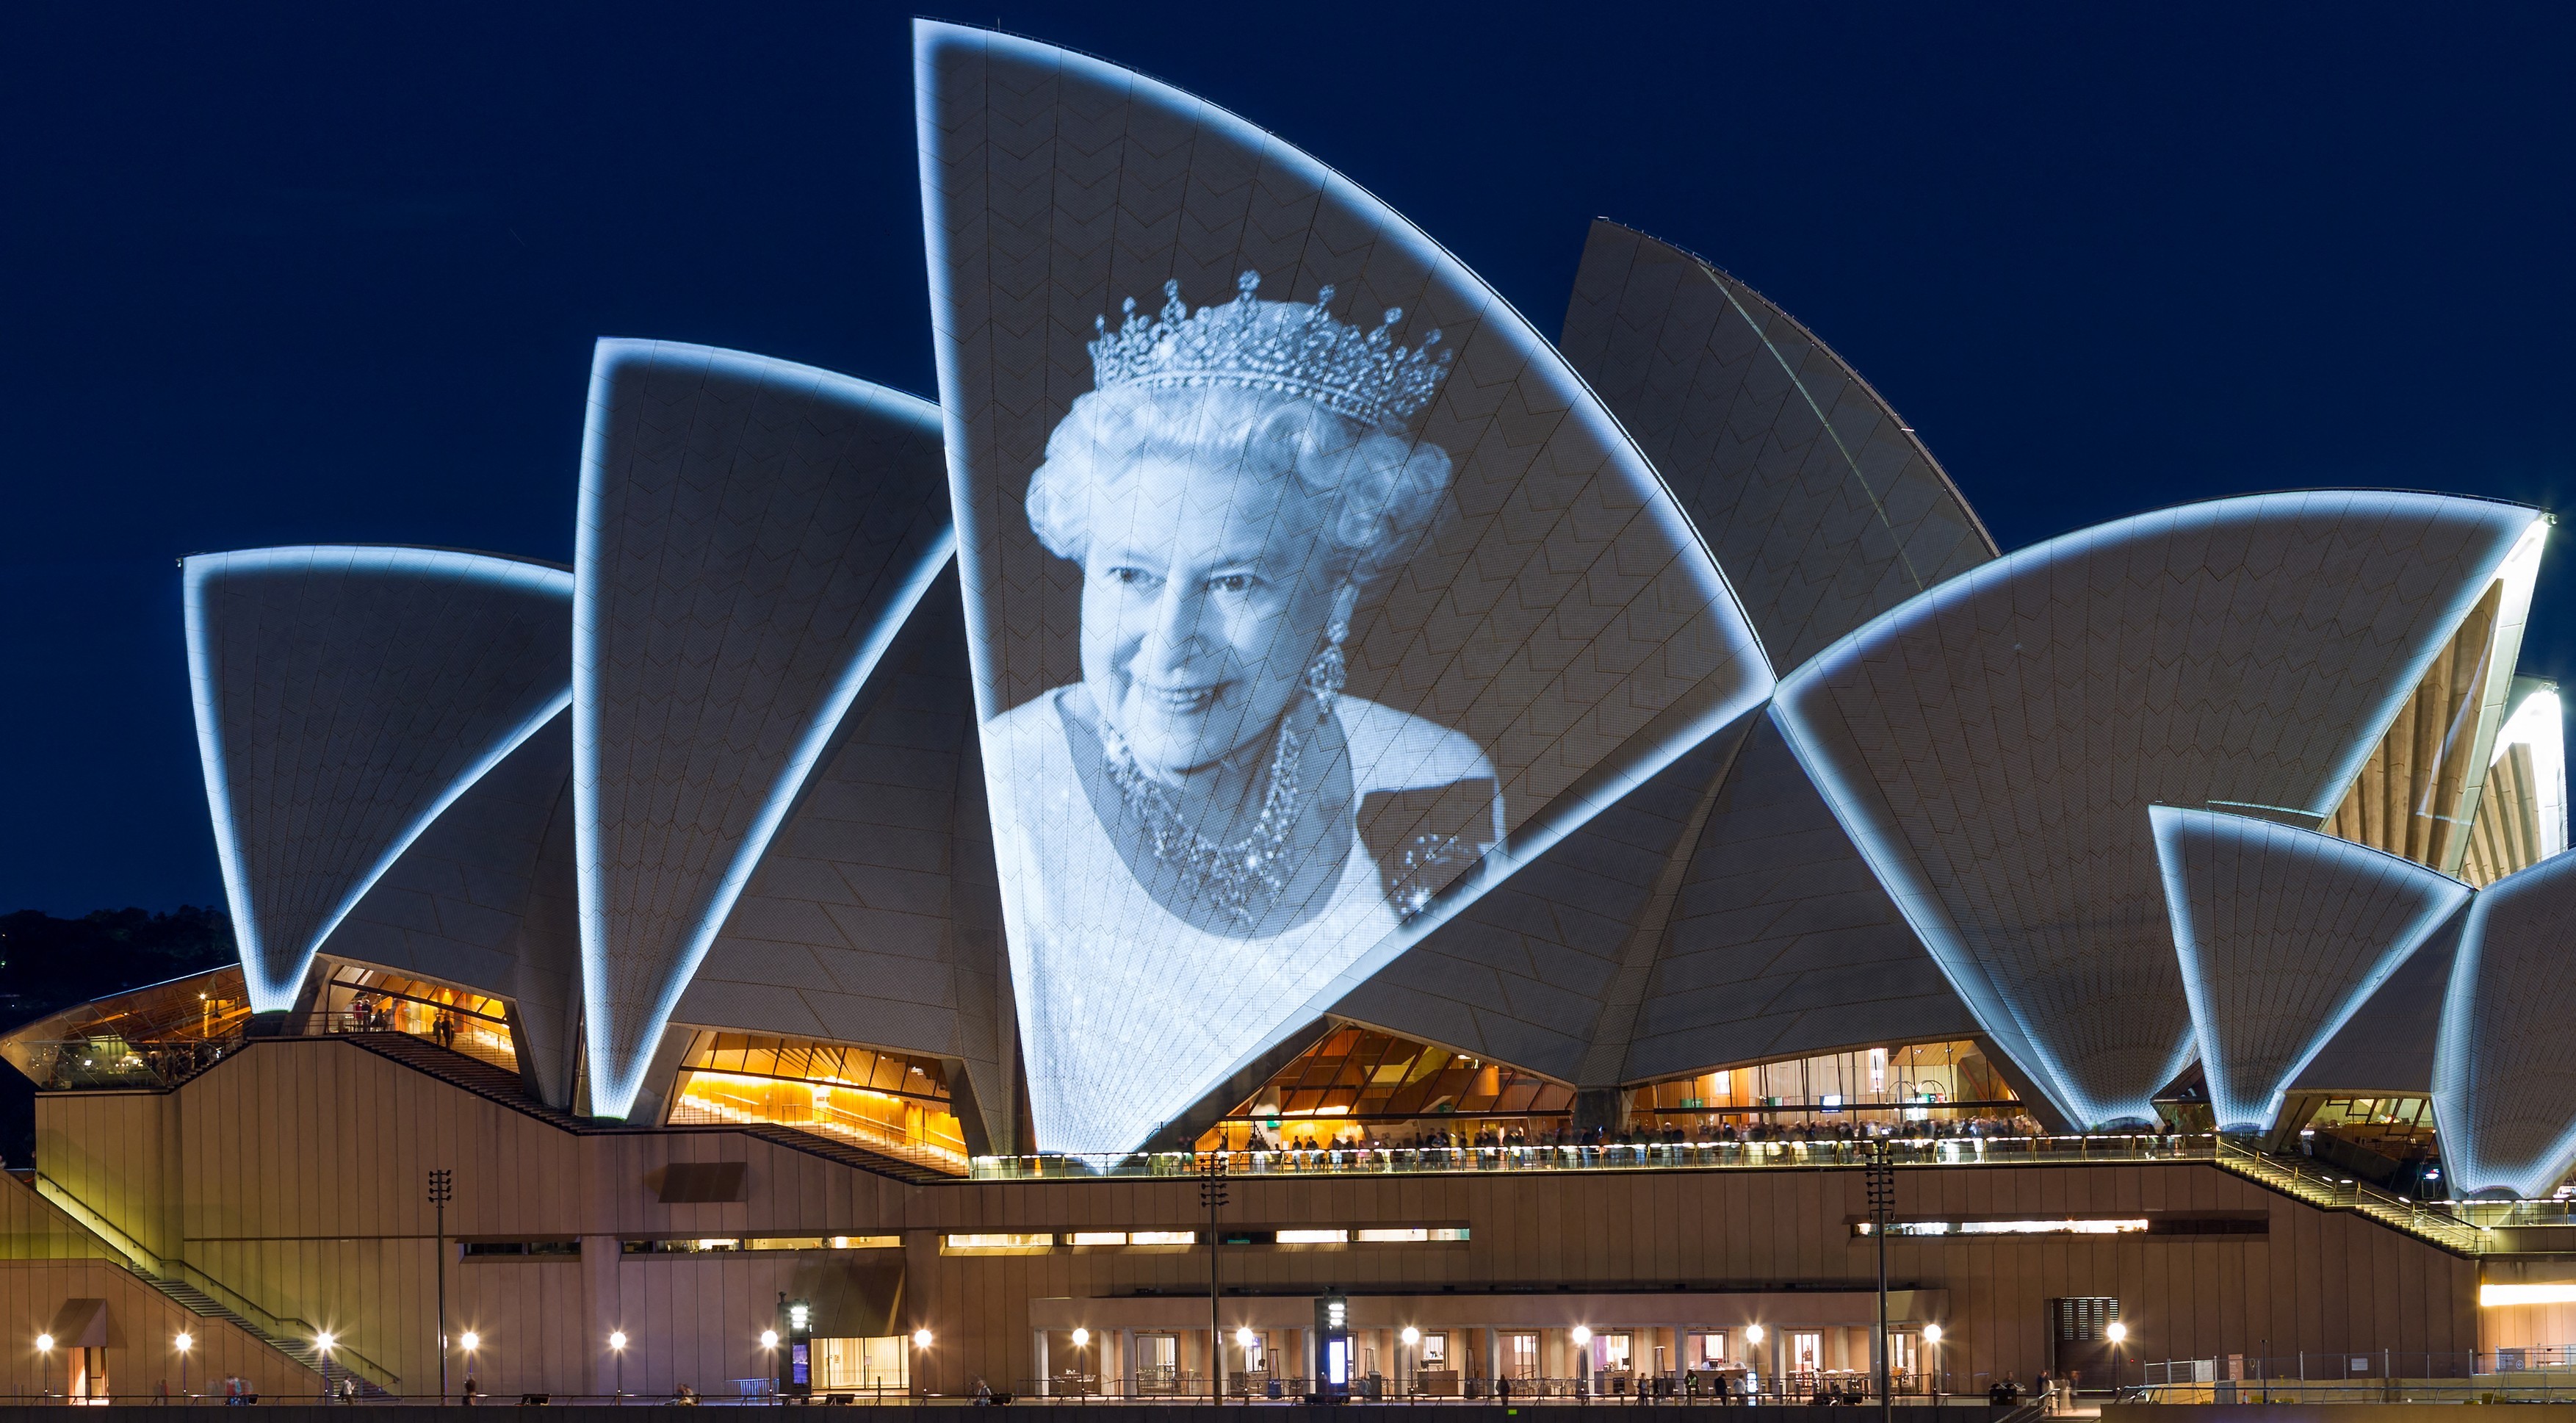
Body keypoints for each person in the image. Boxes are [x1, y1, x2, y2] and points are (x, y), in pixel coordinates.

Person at [989, 270, 1493, 1153]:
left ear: (1336, 589)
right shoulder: (1010, 789)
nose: (1169, 640)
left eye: (1232, 581)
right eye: (1132, 575)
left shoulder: (1436, 774)